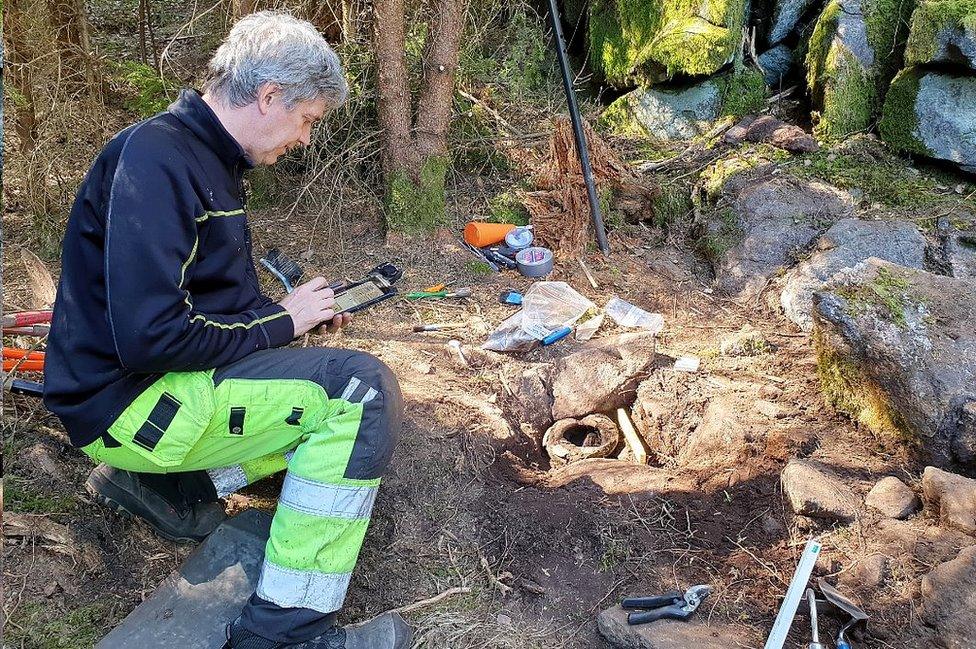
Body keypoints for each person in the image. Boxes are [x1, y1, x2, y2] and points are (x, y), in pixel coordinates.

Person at [42, 11, 411, 649]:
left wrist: (293, 316)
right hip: (130, 404)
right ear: (270, 97)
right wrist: (281, 321)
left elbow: (216, 307)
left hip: (144, 395)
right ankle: (285, 632)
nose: (304, 138)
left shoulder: (204, 162)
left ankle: (172, 487)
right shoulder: (157, 160)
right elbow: (151, 336)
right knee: (361, 395)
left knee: (320, 385)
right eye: (308, 120)